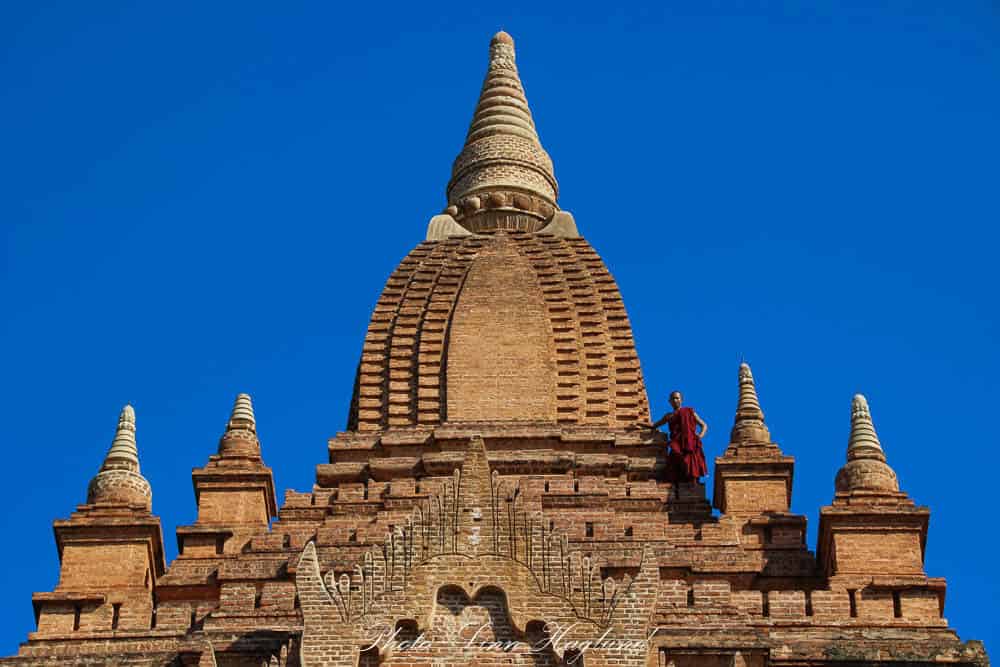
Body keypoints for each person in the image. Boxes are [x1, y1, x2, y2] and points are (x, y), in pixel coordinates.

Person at [649, 391, 708, 482]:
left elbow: (704, 425)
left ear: (681, 400)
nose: (675, 400)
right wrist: (636, 424)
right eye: (673, 398)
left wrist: (699, 436)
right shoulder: (669, 416)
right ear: (669, 401)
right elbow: (654, 425)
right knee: (674, 465)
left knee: (691, 464)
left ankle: (693, 485)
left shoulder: (689, 411)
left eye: (677, 398)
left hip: (690, 443)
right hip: (676, 443)